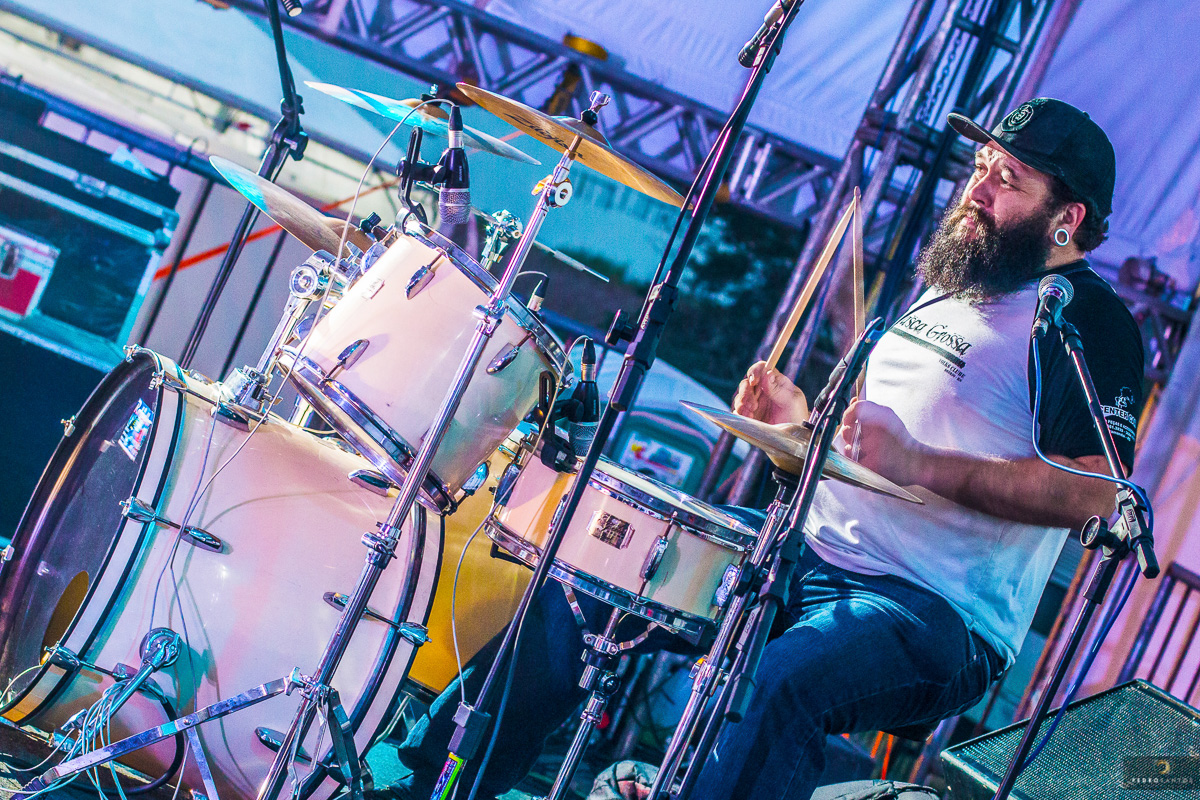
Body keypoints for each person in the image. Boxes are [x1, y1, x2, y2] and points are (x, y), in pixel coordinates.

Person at [369, 98, 1145, 800]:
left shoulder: (1086, 319)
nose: (977, 190)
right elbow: (864, 466)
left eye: (1007, 179)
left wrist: (920, 464)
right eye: (978, 168)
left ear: (1066, 217)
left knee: (782, 683)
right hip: (806, 555)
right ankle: (422, 783)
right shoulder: (957, 283)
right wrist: (794, 435)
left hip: (934, 611)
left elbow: (1100, 493)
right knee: (598, 577)